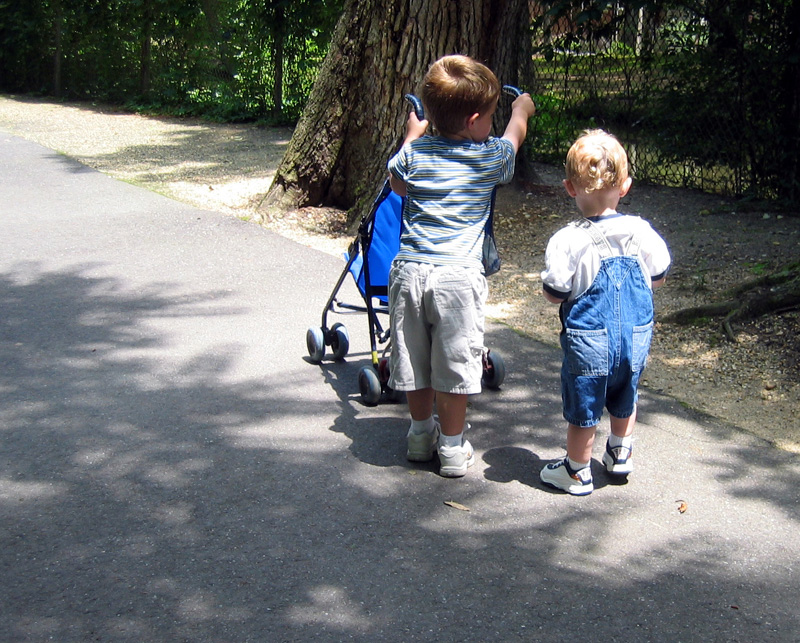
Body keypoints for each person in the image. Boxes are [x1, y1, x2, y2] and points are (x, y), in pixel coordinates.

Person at [387, 54, 536, 477]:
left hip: (411, 270)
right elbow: (513, 140)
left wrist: (412, 136)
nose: (492, 125)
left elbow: (397, 184)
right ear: (474, 122)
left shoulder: (415, 155)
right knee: (453, 364)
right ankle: (452, 449)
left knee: (415, 361)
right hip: (457, 278)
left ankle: (419, 435)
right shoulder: (487, 158)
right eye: (489, 117)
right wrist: (520, 110)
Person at [539, 129, 671, 495]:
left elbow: (555, 293)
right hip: (634, 336)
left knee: (585, 402)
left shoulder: (568, 239)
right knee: (625, 393)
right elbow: (658, 277)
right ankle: (619, 453)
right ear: (625, 186)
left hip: (590, 341)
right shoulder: (641, 230)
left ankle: (578, 470)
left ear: (569, 187)